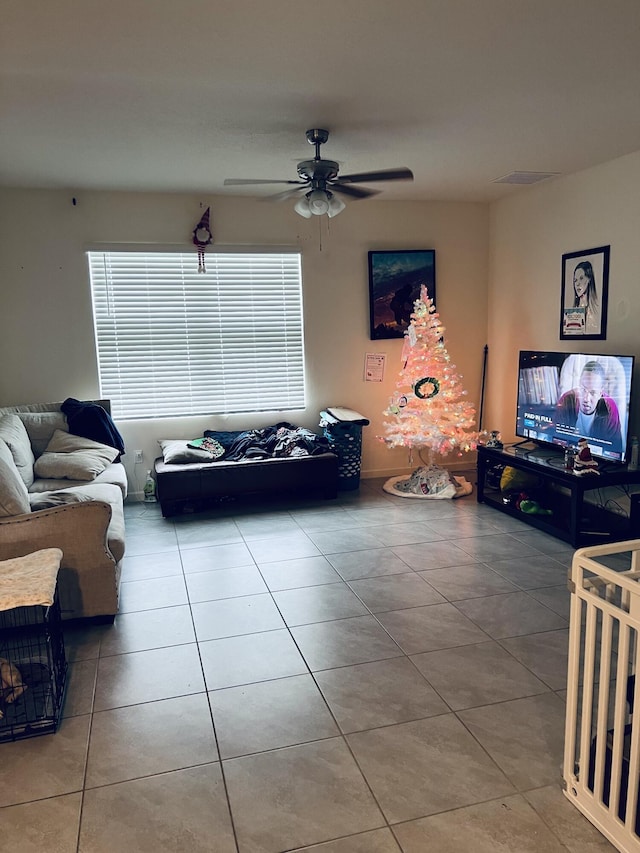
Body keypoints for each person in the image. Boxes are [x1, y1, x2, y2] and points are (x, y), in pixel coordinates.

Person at [556, 361, 622, 450]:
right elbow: (555, 439)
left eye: (593, 392)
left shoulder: (610, 408)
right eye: (583, 390)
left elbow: (615, 448)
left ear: (600, 392)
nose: (586, 399)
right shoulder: (566, 400)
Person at [572, 260, 600, 335]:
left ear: (589, 279)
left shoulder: (596, 309)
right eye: (575, 280)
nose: (577, 284)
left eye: (581, 278)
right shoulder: (573, 312)